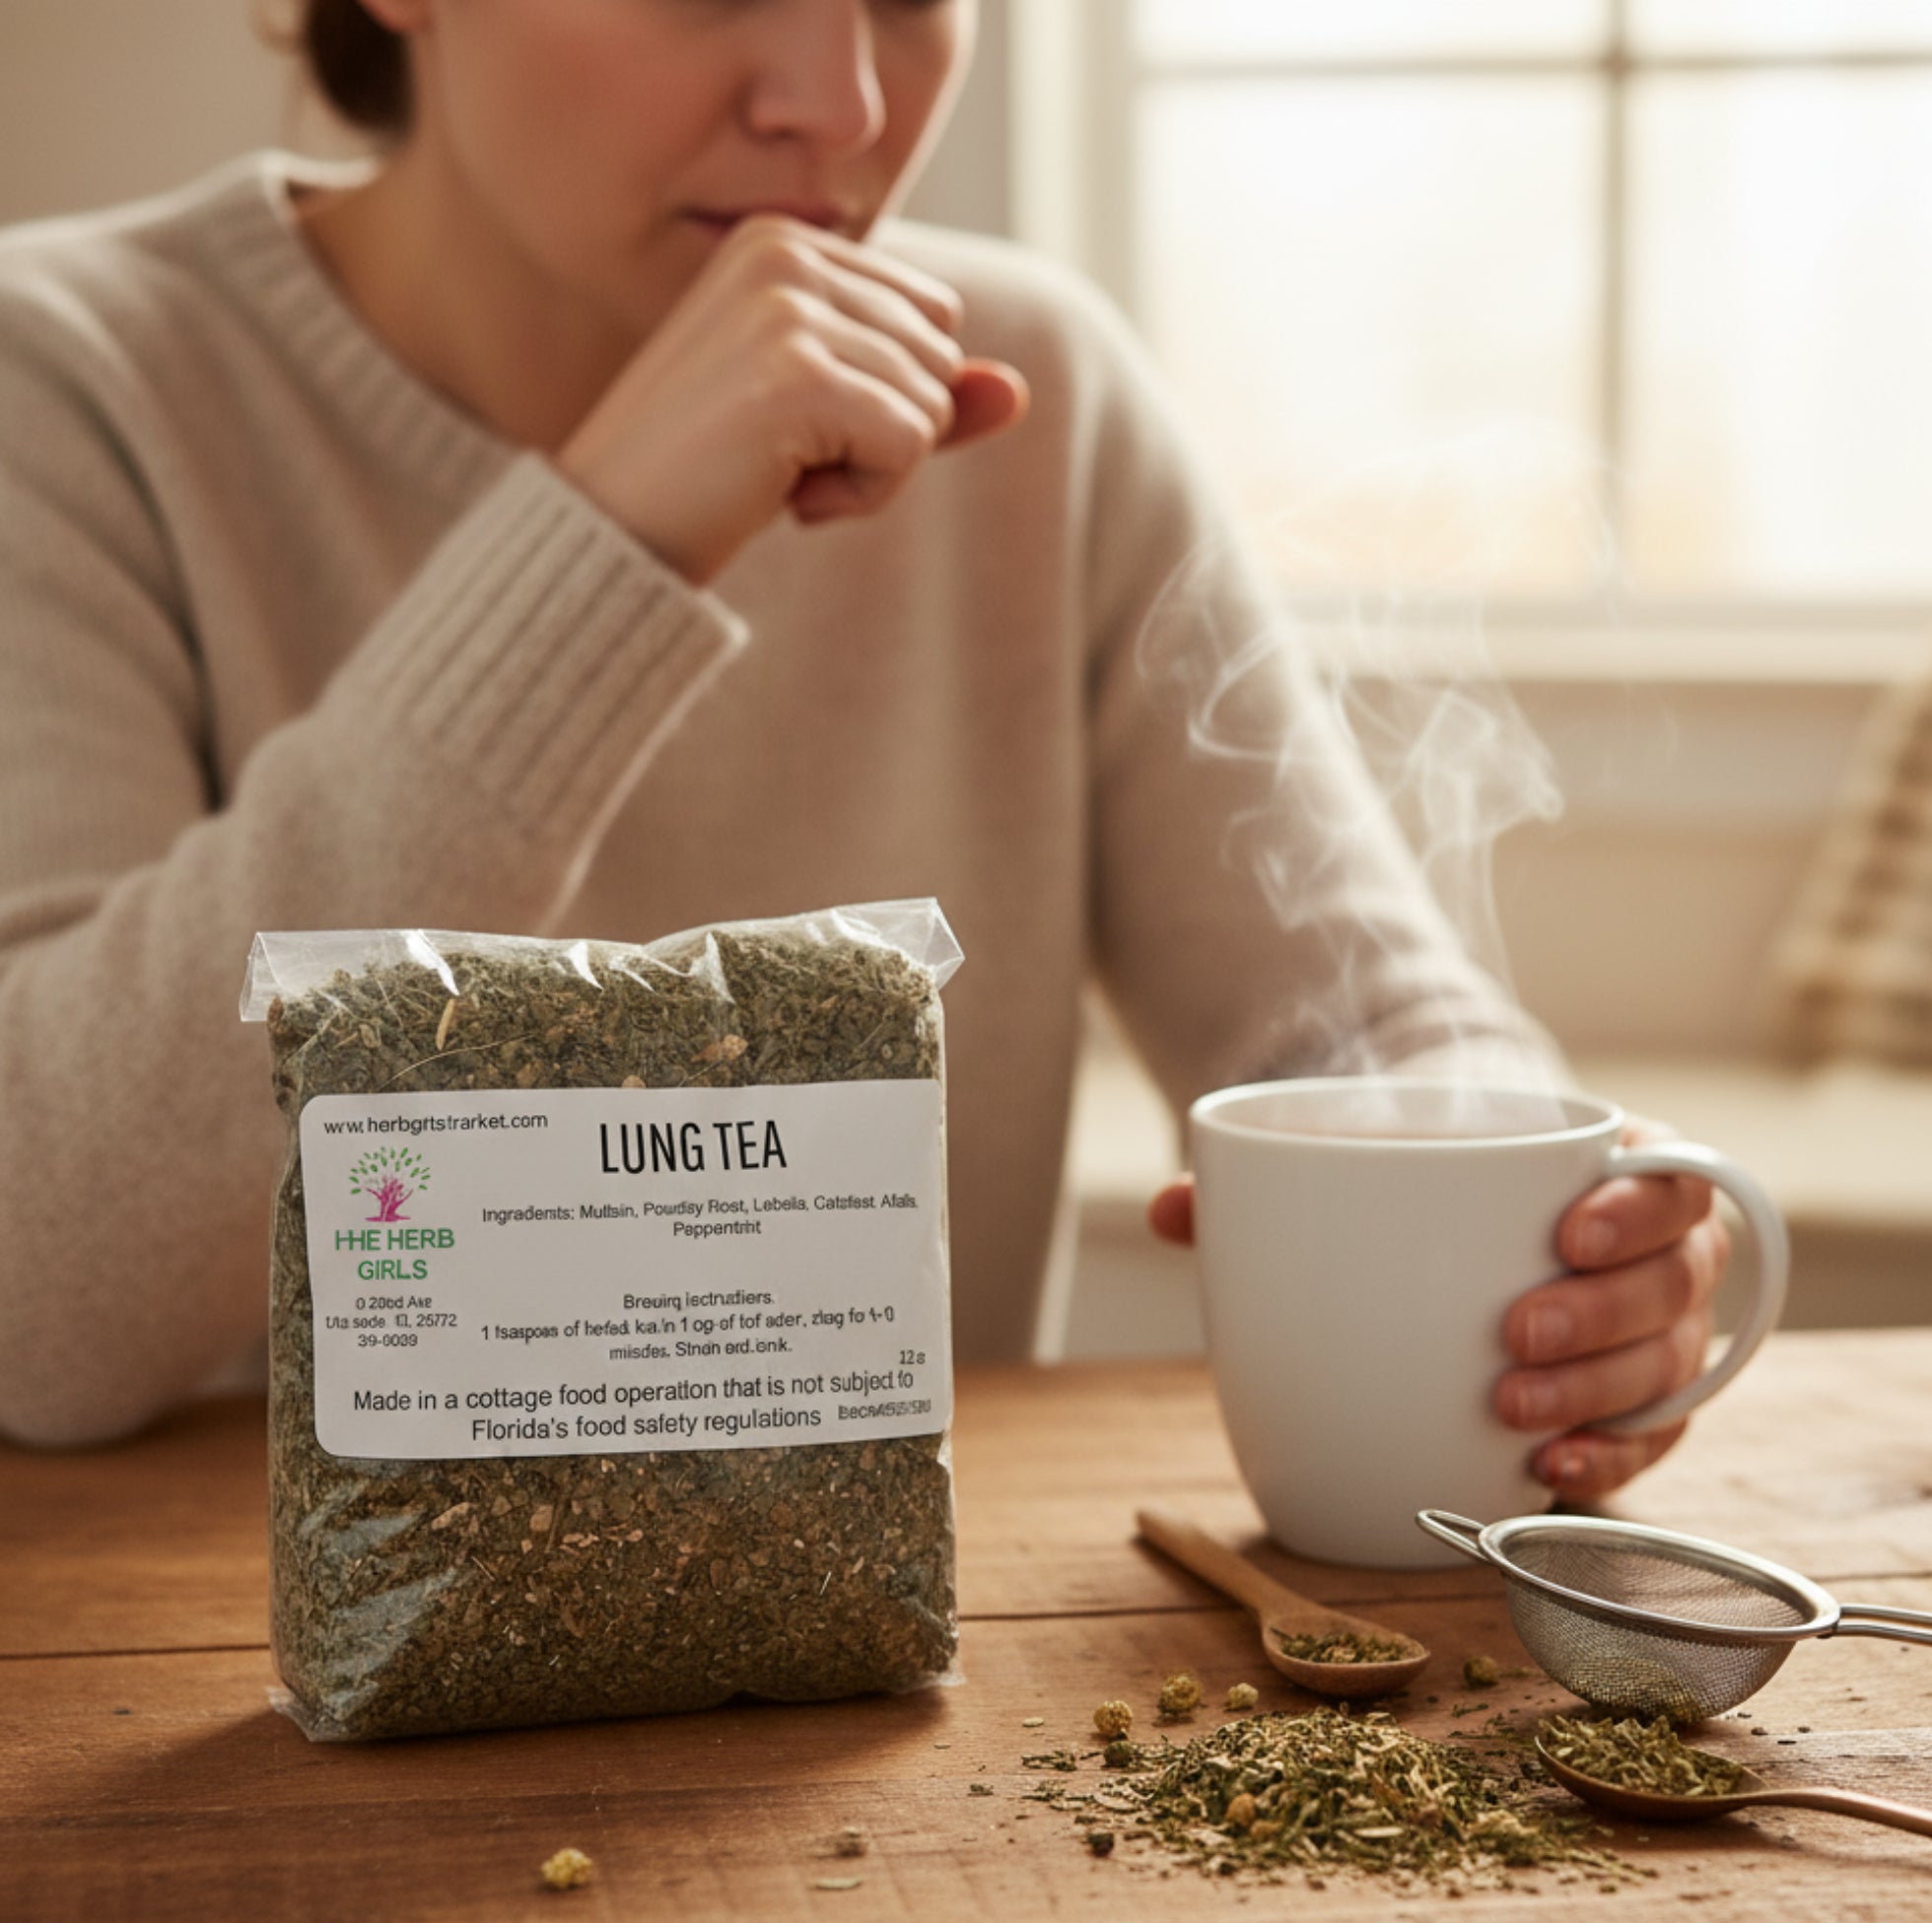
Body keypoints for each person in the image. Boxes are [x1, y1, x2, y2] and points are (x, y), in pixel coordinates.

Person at [0, 0, 1726, 1499]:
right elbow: (43, 1297)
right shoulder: (67, 380)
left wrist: (1580, 1248)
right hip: (241, 1715)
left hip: (894, 1711)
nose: (841, 102)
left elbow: (1364, 1031)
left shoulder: (1036, 387)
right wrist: (607, 543)